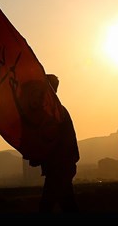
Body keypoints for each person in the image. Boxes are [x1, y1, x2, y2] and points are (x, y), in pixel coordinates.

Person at [37, 74, 80, 213]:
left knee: (47, 206)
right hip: (62, 166)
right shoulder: (58, 111)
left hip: (58, 167)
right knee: (67, 204)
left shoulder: (55, 112)